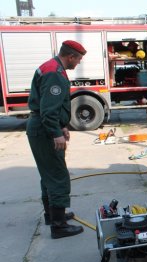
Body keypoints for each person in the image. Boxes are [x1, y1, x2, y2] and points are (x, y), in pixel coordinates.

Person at [26, 40, 87, 239]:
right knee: (58, 175)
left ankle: (52, 216)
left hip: (41, 128)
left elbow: (50, 105)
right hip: (44, 131)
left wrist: (62, 125)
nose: (77, 63)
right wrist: (56, 133)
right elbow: (48, 110)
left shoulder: (51, 67)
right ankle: (59, 226)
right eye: (78, 59)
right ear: (70, 56)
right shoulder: (55, 73)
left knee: (48, 174)